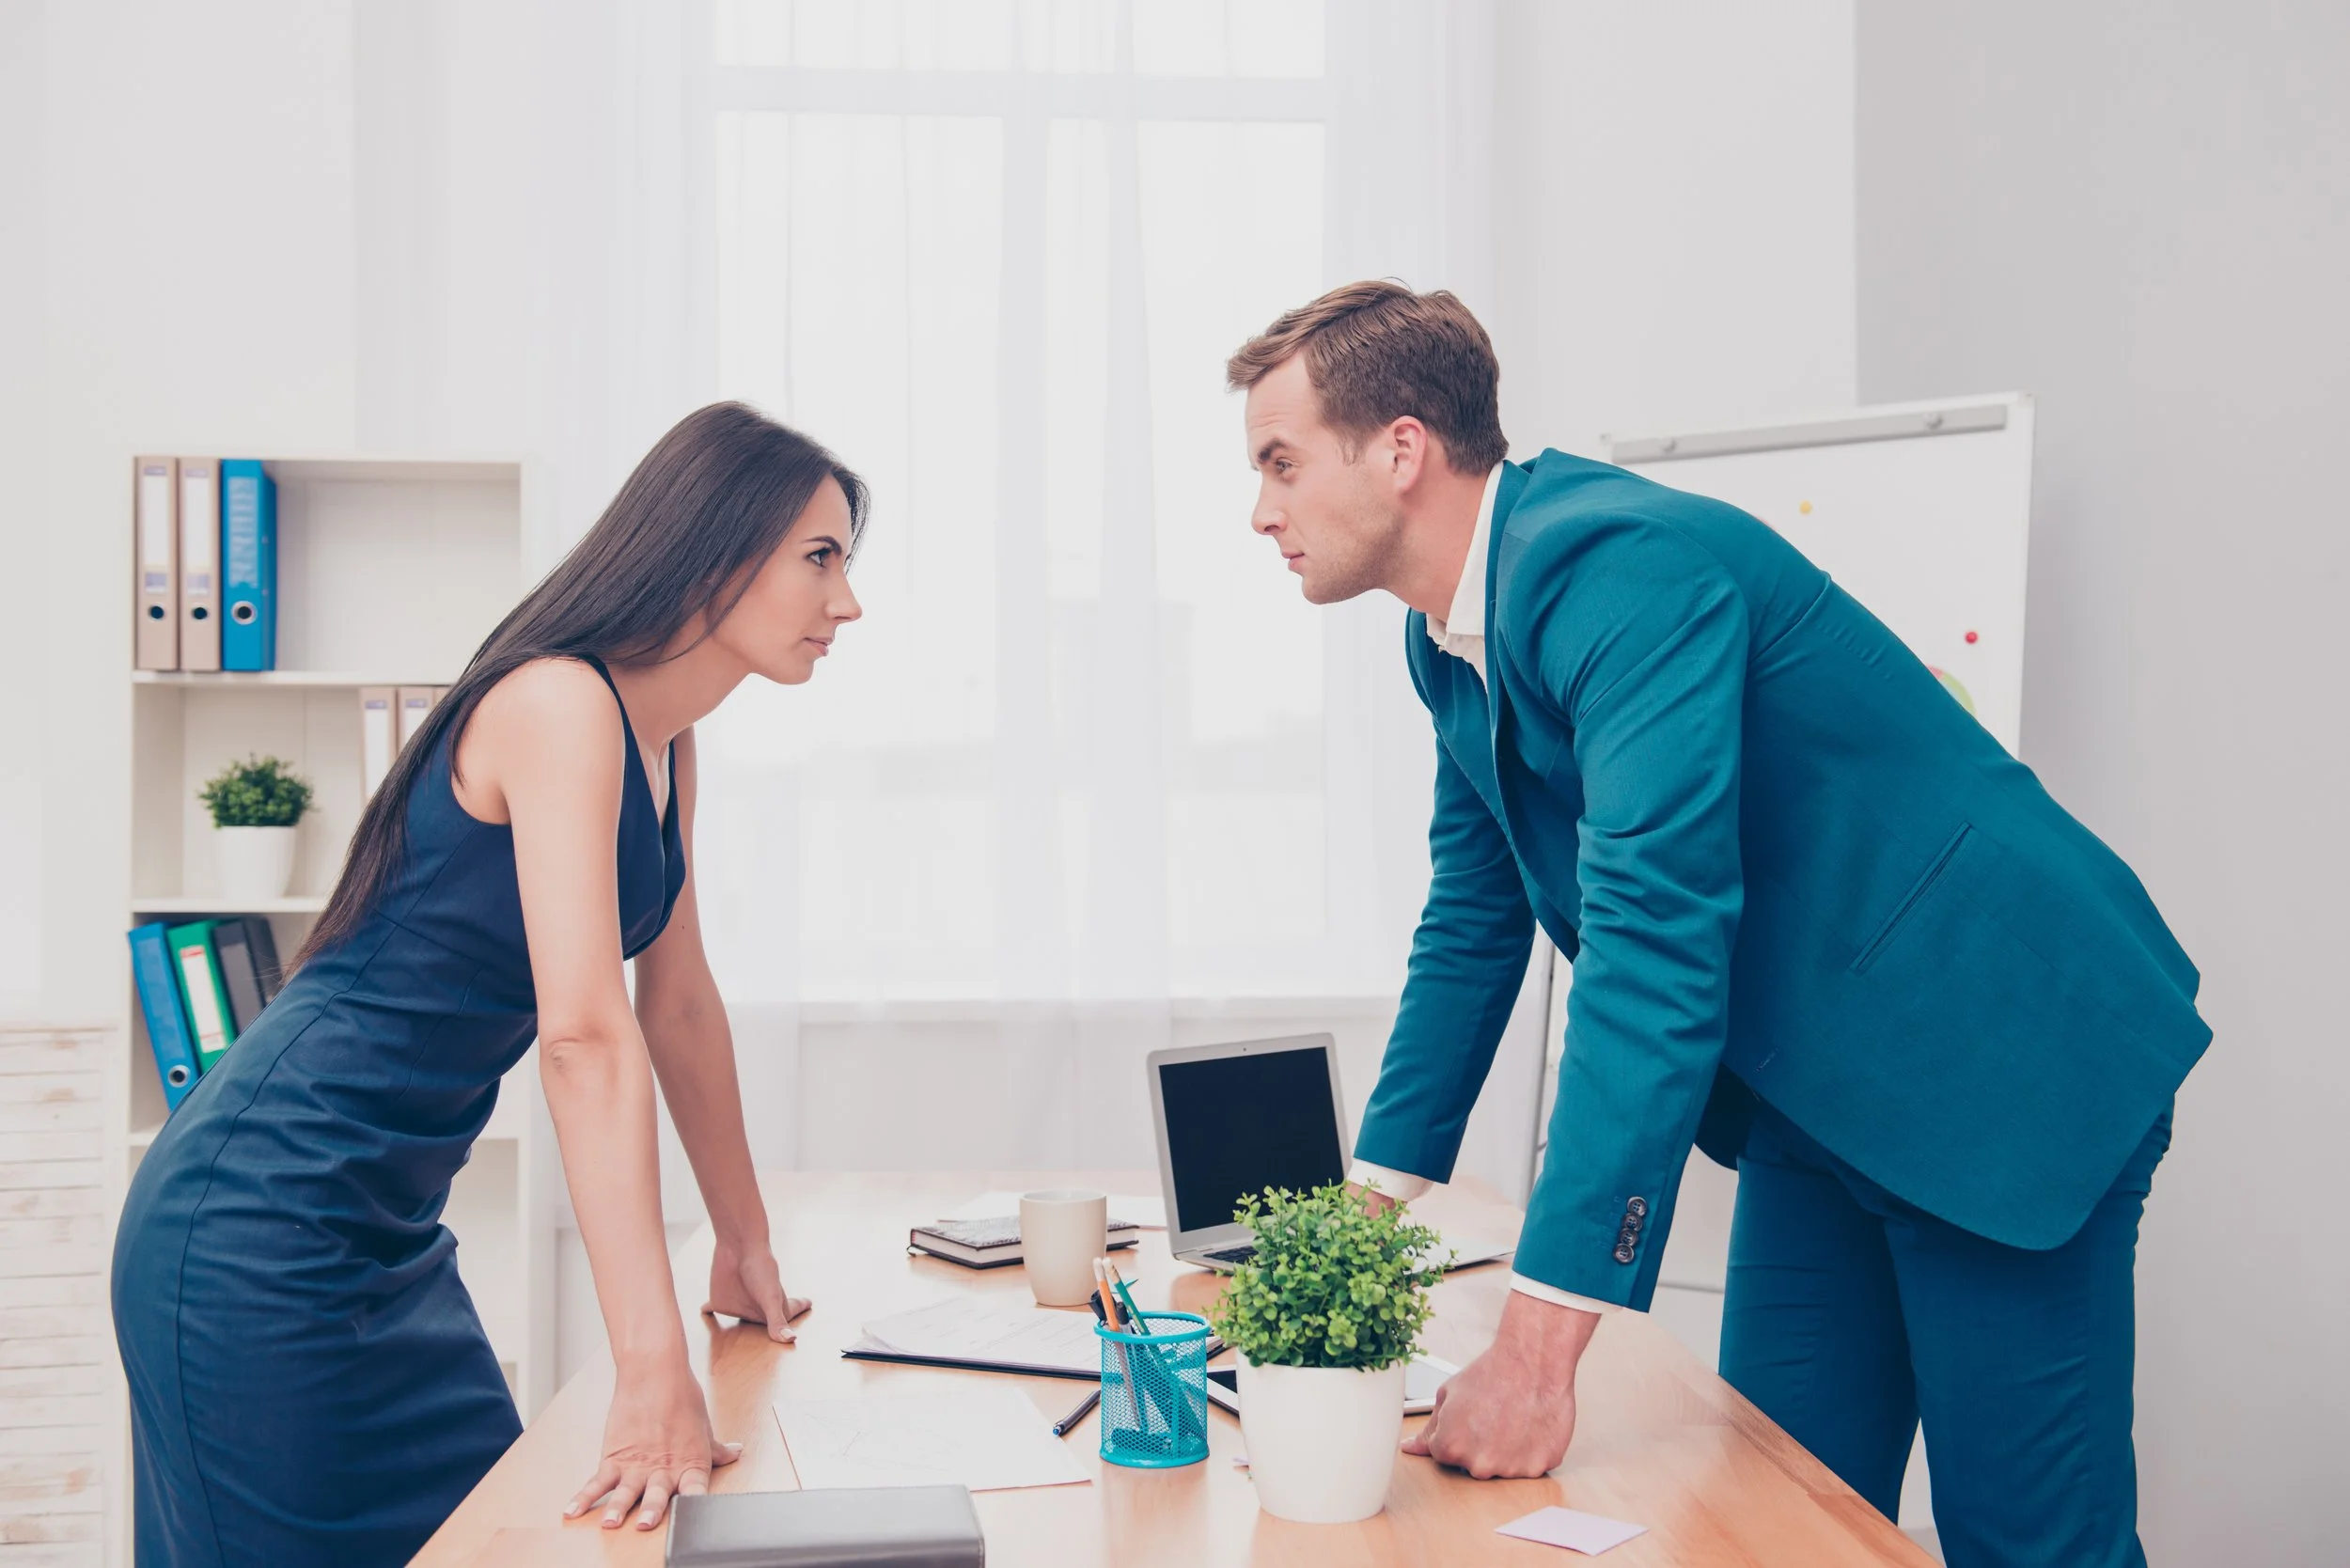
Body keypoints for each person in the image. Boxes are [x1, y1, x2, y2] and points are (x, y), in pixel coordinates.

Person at [1228, 281, 2207, 1568]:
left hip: (2001, 1065)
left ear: (1400, 449)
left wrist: (1535, 1350)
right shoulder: (1445, 640)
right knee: (1774, 1524)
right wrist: (1368, 1210)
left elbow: (1652, 940)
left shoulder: (1620, 572)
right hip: (1825, 1098)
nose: (1262, 511)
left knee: (2030, 1547)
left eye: (1281, 463)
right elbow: (1474, 923)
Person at [113, 402, 866, 1565]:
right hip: (257, 1230)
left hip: (388, 1233)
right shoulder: (560, 702)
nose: (846, 602)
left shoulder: (666, 742)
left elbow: (677, 1004)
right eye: (820, 558)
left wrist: (743, 1237)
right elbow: (582, 1039)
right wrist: (649, 1363)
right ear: (714, 549)